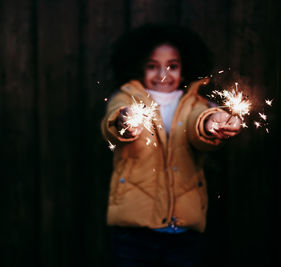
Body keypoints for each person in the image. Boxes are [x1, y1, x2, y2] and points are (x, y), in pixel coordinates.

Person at [101, 24, 242, 266]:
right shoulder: (127, 97)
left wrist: (211, 123)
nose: (162, 75)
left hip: (183, 232)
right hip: (133, 230)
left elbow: (198, 121)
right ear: (138, 66)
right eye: (152, 66)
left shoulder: (196, 102)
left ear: (185, 68)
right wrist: (124, 119)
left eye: (172, 66)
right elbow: (113, 120)